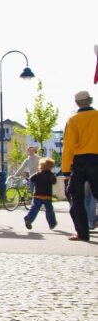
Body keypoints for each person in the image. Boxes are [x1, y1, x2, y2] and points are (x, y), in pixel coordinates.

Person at [61, 90, 98, 242]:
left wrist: (65, 170)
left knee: (76, 197)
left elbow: (68, 146)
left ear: (77, 103)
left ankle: (82, 233)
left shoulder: (73, 120)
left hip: (79, 162)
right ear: (90, 100)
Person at [23, 157, 57, 231]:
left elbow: (31, 178)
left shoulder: (38, 174)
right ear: (50, 167)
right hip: (47, 196)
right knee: (49, 210)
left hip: (37, 195)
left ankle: (28, 219)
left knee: (35, 208)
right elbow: (54, 181)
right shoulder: (51, 175)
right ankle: (52, 223)